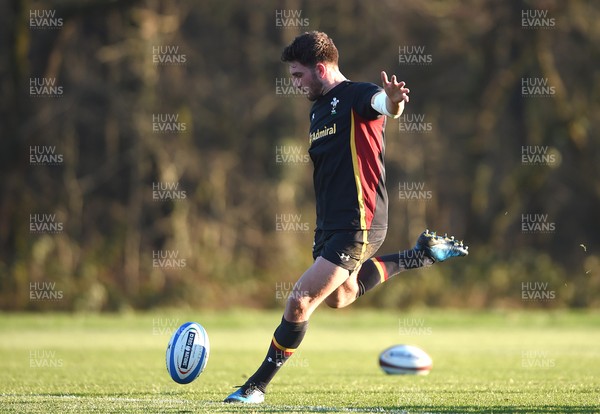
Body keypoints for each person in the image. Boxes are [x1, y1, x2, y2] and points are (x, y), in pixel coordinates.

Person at [224, 31, 468, 404]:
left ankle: (254, 387)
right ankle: (418, 255)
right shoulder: (317, 109)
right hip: (329, 227)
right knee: (342, 297)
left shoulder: (357, 95)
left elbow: (383, 104)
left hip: (358, 223)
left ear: (320, 69)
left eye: (298, 75)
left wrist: (394, 100)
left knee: (299, 302)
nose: (295, 83)